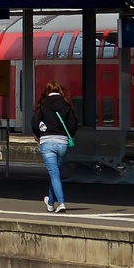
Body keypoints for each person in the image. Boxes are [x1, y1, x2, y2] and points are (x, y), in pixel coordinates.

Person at [30, 82, 78, 213]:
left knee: (54, 173)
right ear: (60, 90)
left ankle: (61, 202)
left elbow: (34, 122)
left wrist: (38, 135)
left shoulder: (42, 104)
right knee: (56, 173)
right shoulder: (66, 104)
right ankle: (50, 202)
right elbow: (73, 123)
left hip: (47, 143)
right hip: (62, 143)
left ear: (47, 91)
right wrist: (69, 136)